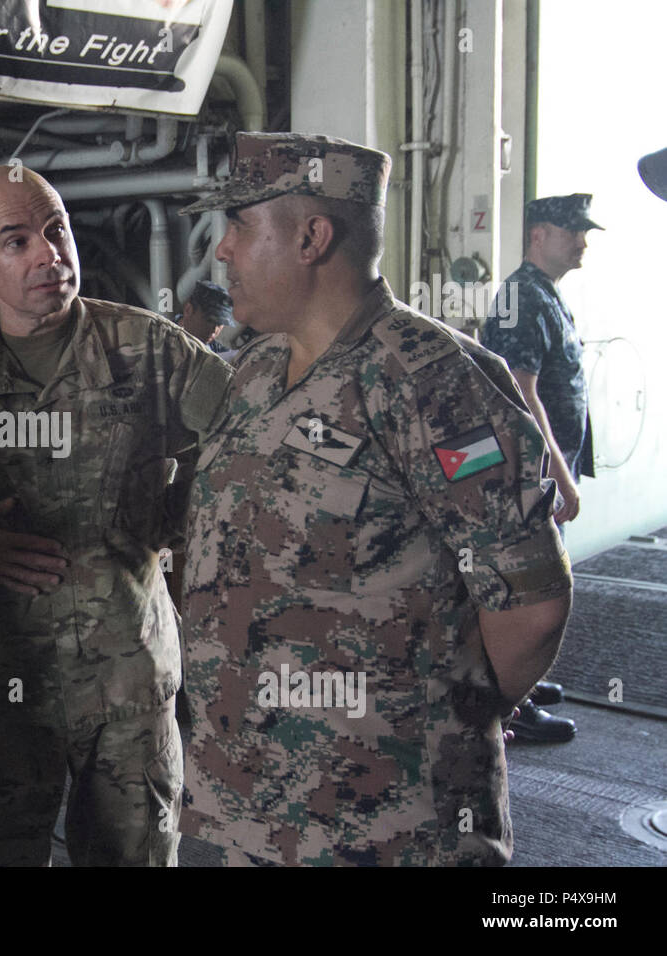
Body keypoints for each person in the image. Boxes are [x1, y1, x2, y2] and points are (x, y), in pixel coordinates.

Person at [178, 132, 573, 866]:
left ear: (311, 237)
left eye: (239, 225)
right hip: (240, 809)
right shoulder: (256, 368)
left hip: (387, 826)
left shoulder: (434, 380)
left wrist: (437, 720)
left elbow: (531, 606)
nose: (222, 250)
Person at [0, 164, 236, 866]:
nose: (48, 255)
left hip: (127, 692)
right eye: (17, 240)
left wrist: (186, 517)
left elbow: (249, 448)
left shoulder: (150, 353)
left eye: (56, 231)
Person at [482, 193, 602, 742]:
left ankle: (522, 684)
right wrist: (557, 471)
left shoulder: (543, 294)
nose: (582, 242)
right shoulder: (523, 297)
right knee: (526, 588)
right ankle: (512, 704)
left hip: (547, 466)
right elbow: (521, 394)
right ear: (538, 235)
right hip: (530, 471)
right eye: (571, 230)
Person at [175, 279, 235, 348]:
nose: (214, 330)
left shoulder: (218, 352)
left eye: (219, 324)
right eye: (209, 320)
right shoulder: (162, 339)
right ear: (188, 310)